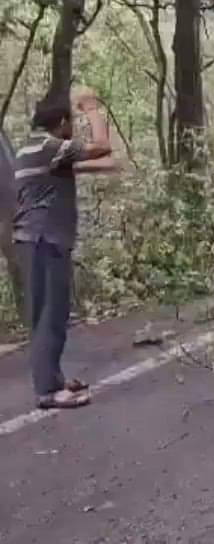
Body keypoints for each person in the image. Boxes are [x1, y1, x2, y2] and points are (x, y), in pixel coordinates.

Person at [13, 88, 118, 409]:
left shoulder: (30, 149)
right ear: (61, 123)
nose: (74, 126)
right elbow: (102, 146)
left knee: (50, 313)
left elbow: (89, 166)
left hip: (35, 241)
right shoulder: (50, 147)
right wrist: (92, 108)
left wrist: (101, 165)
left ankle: (54, 379)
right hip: (44, 240)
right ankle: (47, 391)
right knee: (50, 316)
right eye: (71, 121)